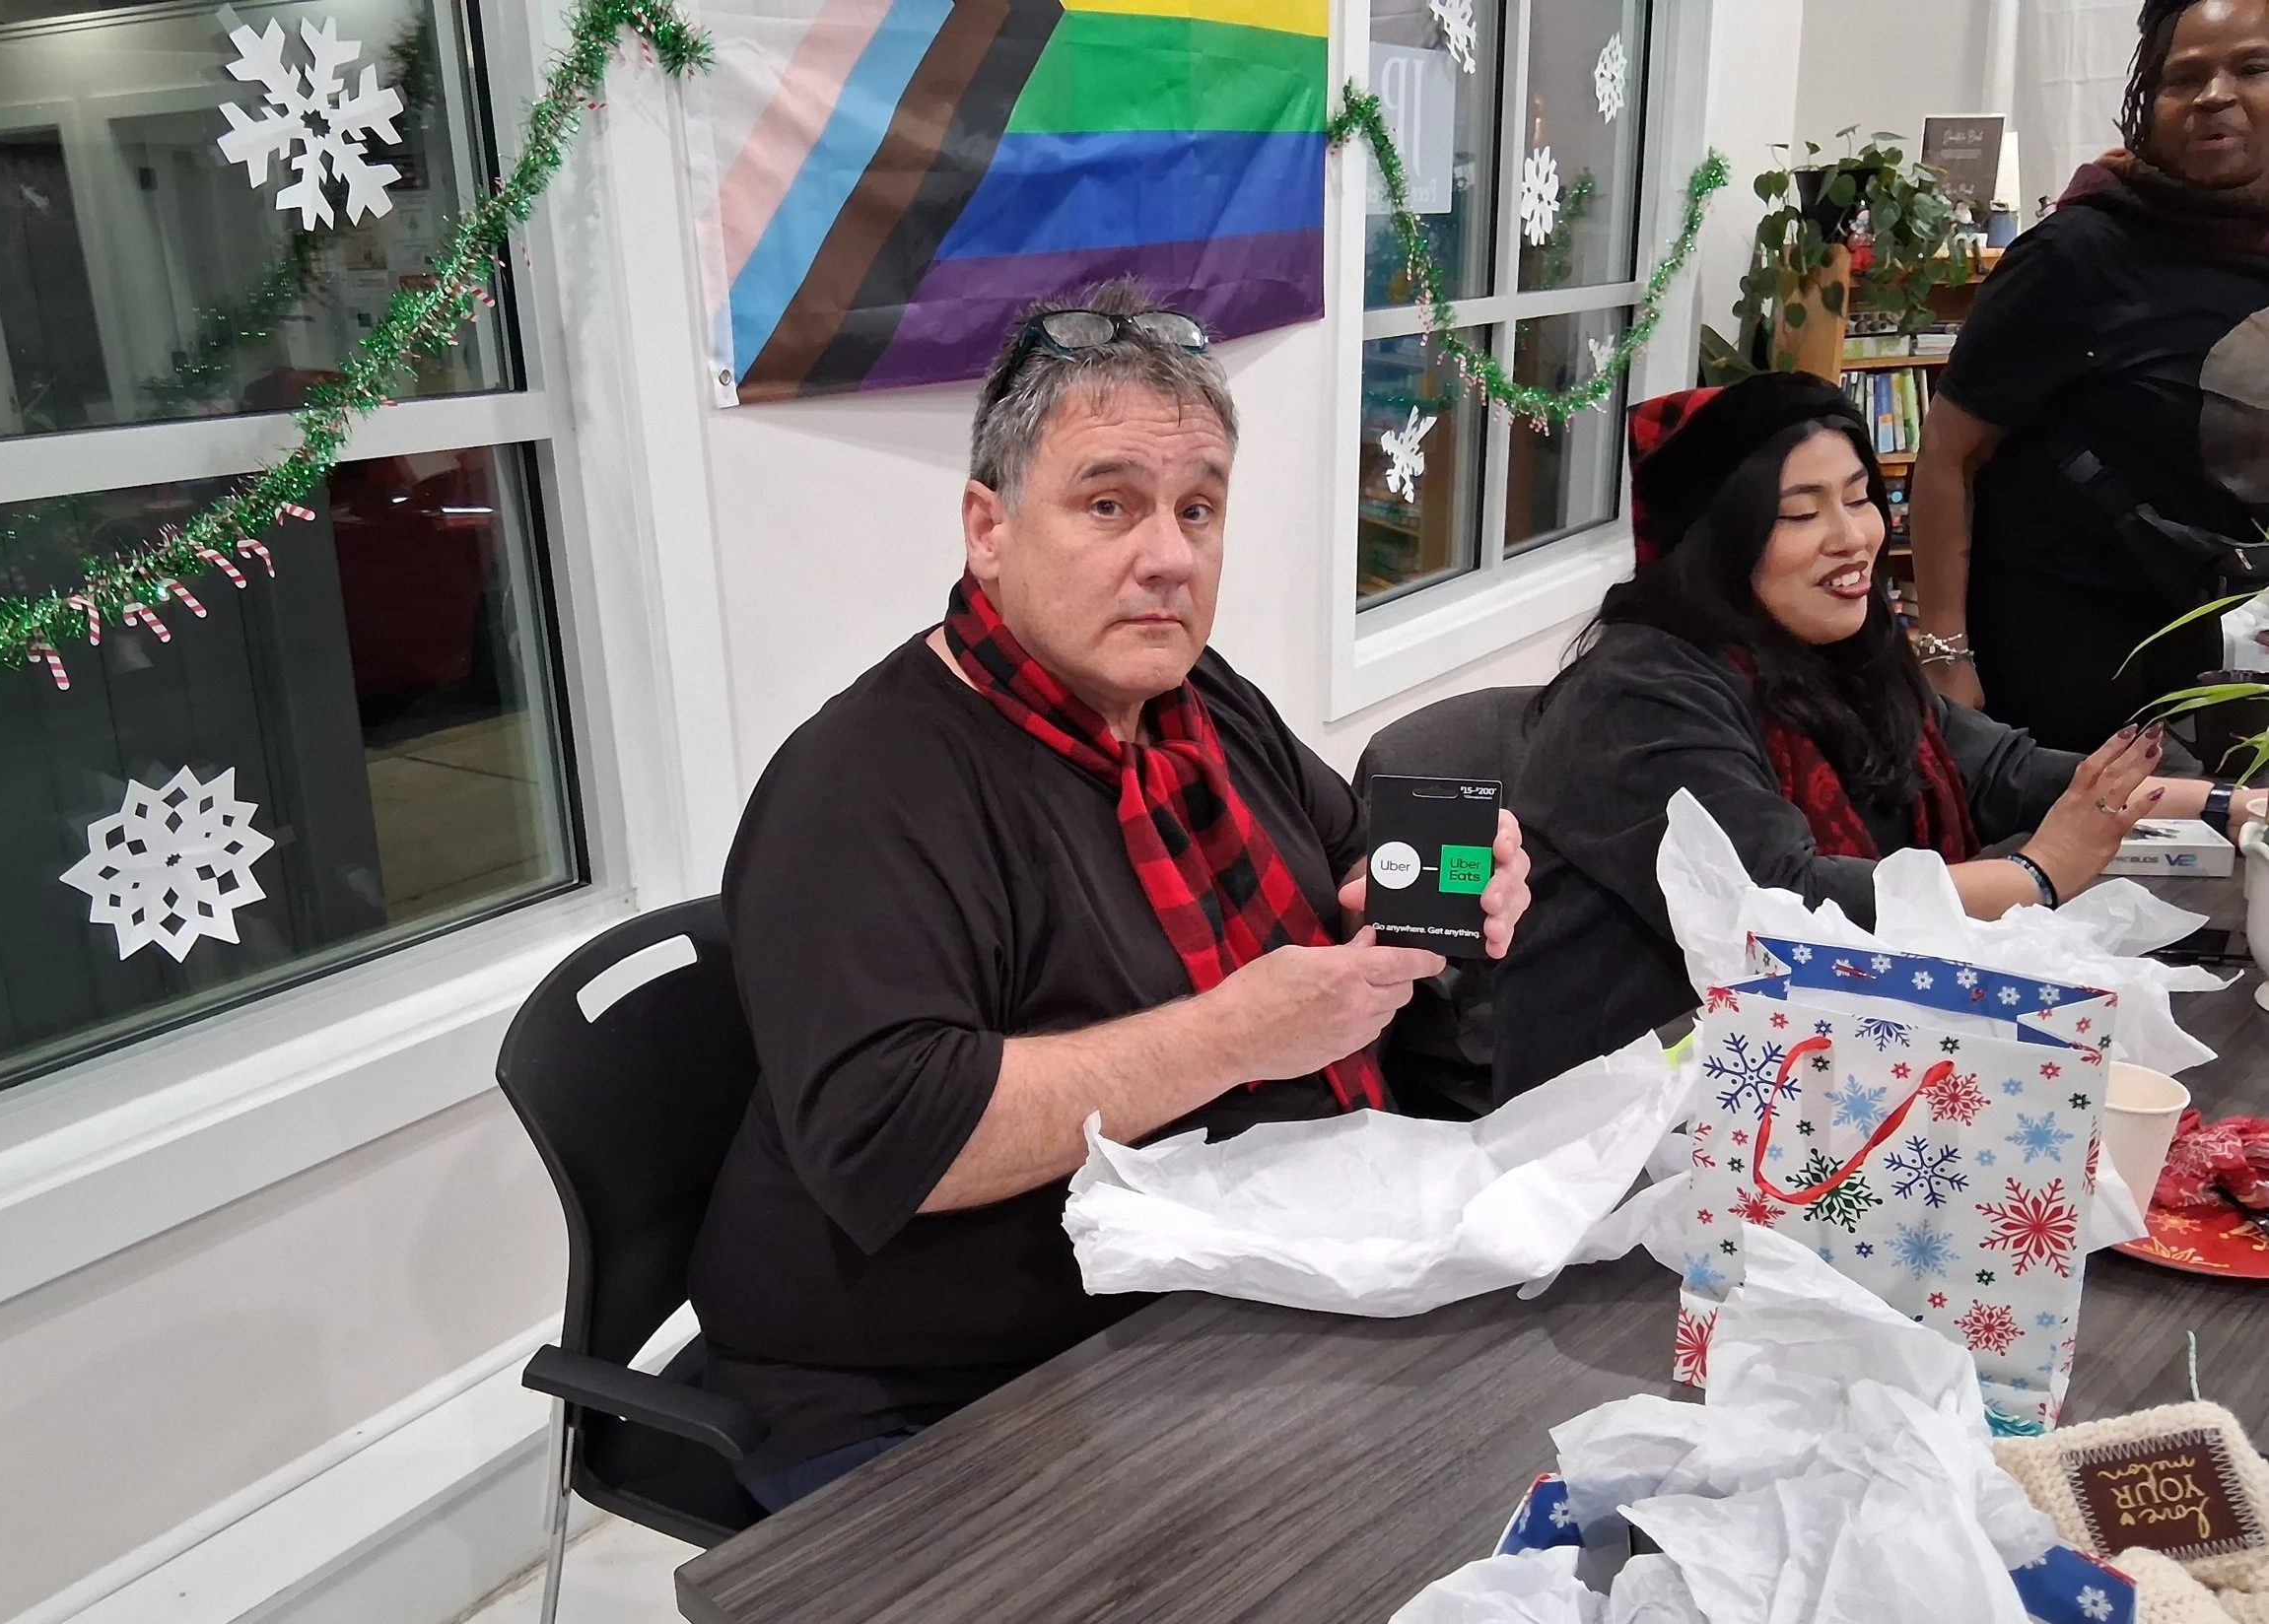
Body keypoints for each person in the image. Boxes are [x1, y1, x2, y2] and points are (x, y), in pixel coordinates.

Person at [688, 284, 1532, 1511]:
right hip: (929, 1383)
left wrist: (1441, 889)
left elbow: (1348, 871)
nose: (1169, 558)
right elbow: (895, 1138)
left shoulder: (1200, 702)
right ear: (987, 527)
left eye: (1198, 509)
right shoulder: (862, 789)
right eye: (1108, 504)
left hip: (1216, 1277)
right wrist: (1236, 1035)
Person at [1496, 371, 2268, 1100]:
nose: (1852, 536)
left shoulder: (1832, 654)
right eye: (1802, 514)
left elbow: (2003, 769)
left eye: (1859, 498)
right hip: (1634, 1096)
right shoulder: (1639, 692)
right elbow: (1786, 905)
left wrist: (2234, 806)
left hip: (1817, 1056)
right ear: (1717, 538)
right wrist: (2035, 874)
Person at [1911, 0, 2269, 750]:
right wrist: (1946, 654)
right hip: (2066, 661)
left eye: (2253, 68)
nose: (2213, 95)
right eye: (2183, 78)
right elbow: (1947, 454)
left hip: (2221, 647)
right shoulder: (2078, 254)